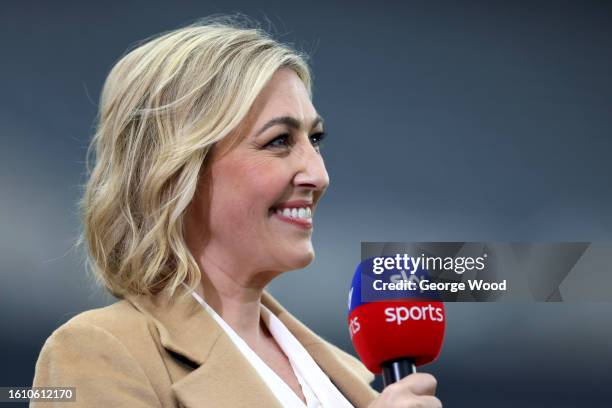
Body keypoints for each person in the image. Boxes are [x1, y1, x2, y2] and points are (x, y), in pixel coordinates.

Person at [32, 17, 441, 408]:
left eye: (314, 139)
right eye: (279, 141)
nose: (319, 175)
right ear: (176, 171)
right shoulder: (98, 350)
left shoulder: (348, 378)